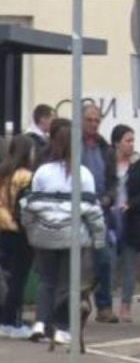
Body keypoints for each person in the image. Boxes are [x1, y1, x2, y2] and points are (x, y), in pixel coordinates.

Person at [20, 119, 106, 345]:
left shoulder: (42, 172)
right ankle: (61, 328)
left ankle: (40, 323)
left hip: (44, 235)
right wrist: (99, 239)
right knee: (67, 283)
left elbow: (30, 205)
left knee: (46, 280)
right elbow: (93, 211)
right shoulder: (83, 174)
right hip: (72, 236)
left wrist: (31, 230)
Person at [110, 124, 140, 323]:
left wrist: (131, 204)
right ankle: (105, 305)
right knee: (108, 265)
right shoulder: (108, 163)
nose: (131, 144)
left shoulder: (138, 166)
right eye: (127, 140)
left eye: (132, 140)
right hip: (110, 222)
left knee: (129, 267)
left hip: (131, 222)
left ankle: (126, 306)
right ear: (117, 143)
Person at [81, 104, 119, 323]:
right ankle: (77, 298)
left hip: (99, 210)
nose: (93, 124)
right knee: (77, 259)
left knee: (104, 259)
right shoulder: (73, 146)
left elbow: (113, 182)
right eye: (89, 120)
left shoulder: (106, 149)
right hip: (76, 210)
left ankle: (104, 306)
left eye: (97, 120)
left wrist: (108, 198)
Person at [0, 135, 35, 339]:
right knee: (18, 279)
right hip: (18, 232)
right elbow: (25, 207)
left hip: (2, 228)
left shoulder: (3, 172)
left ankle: (3, 318)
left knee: (4, 277)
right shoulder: (26, 177)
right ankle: (12, 321)